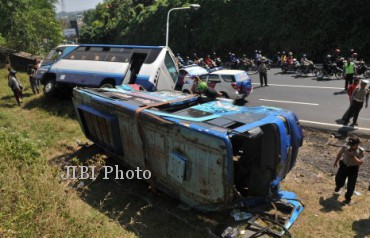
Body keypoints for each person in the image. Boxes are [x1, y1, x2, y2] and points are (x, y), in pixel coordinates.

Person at [333, 137, 365, 204]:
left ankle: (348, 198)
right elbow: (339, 154)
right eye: (350, 144)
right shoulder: (345, 147)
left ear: (357, 144)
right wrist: (336, 161)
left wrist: (353, 156)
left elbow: (360, 162)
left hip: (353, 169)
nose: (350, 146)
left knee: (351, 185)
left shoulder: (361, 151)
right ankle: (338, 186)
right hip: (344, 166)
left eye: (352, 144)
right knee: (338, 179)